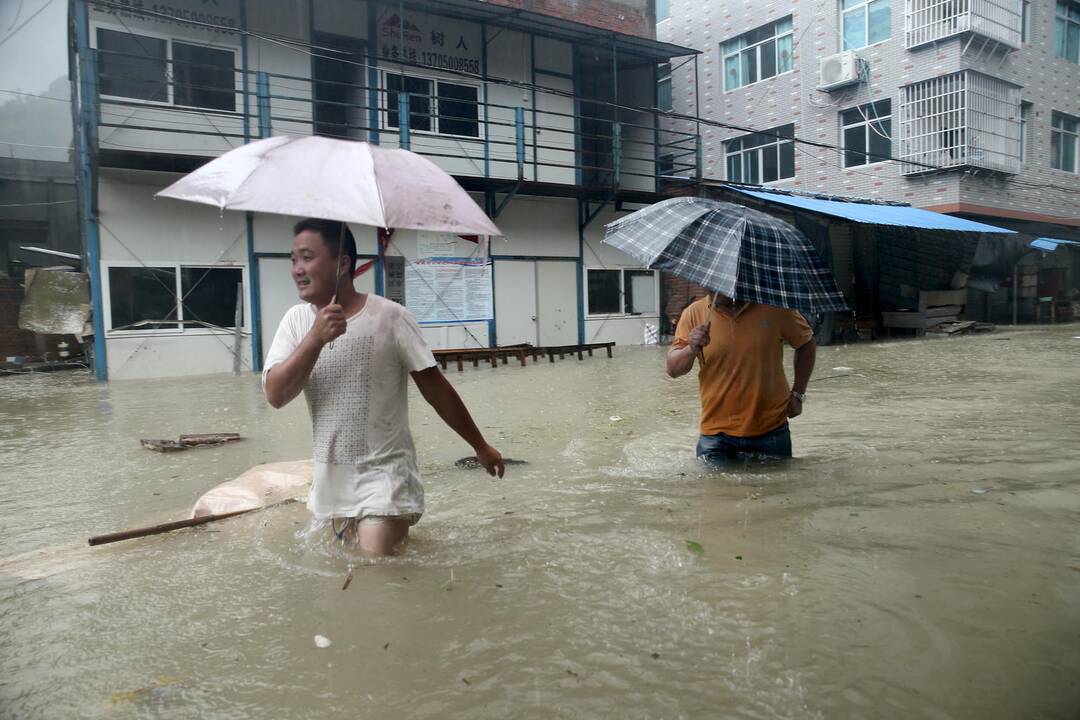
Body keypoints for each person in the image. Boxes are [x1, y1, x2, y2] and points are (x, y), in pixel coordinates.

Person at [263, 218, 505, 555]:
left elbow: (435, 389)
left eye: (306, 257)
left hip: (385, 480)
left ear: (343, 264)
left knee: (375, 575)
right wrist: (315, 339)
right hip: (330, 485)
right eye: (293, 259)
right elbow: (275, 395)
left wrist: (480, 445)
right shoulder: (296, 322)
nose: (297, 269)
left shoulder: (390, 318)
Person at [666, 293, 816, 462]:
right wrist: (690, 348)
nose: (716, 289)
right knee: (714, 488)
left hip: (771, 429)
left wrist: (798, 393)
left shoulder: (775, 308)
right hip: (715, 435)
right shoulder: (694, 313)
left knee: (777, 488)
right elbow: (673, 369)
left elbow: (806, 343)